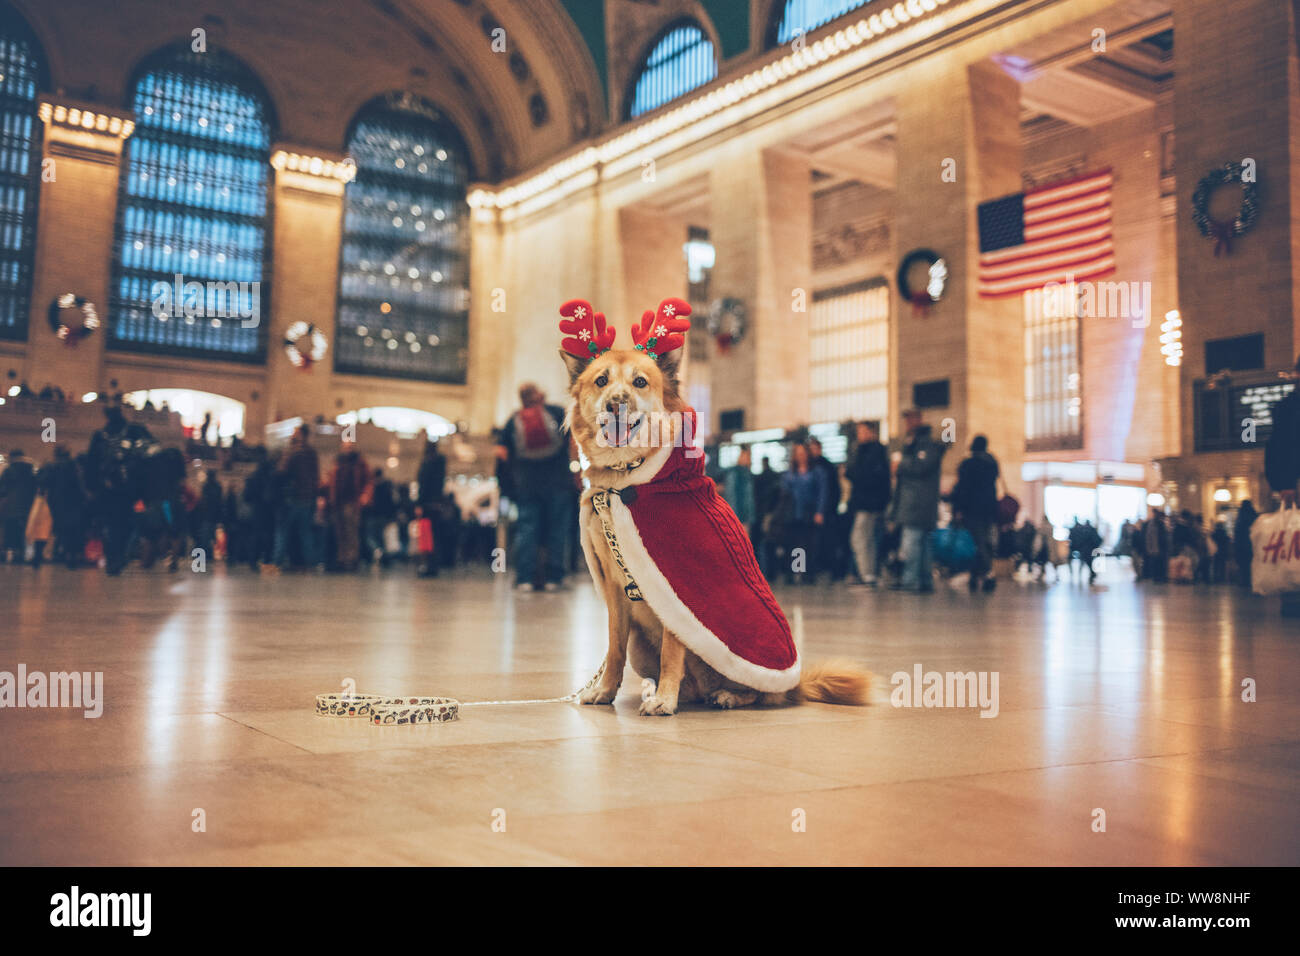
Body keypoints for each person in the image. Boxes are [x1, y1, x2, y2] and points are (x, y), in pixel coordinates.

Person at [496, 383, 572, 592]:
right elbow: (574, 440)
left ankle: (524, 579)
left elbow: (502, 455)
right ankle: (554, 578)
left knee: (527, 531)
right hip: (558, 483)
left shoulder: (513, 421)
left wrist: (508, 485)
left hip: (527, 485)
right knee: (557, 532)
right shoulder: (556, 413)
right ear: (539, 395)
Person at [889, 409, 946, 592]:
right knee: (922, 544)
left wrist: (901, 464)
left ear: (919, 419)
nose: (908, 423)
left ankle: (911, 580)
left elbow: (922, 467)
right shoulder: (910, 443)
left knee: (912, 544)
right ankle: (924, 580)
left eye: (911, 419)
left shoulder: (926, 444)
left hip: (918, 503)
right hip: (914, 503)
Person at [950, 434, 1001, 592]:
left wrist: (957, 508)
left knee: (975, 543)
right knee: (983, 542)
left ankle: (987, 573)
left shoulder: (969, 465)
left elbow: (963, 489)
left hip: (971, 510)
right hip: (989, 510)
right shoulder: (992, 464)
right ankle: (977, 574)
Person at [846, 421, 890, 586]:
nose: (860, 436)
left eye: (863, 432)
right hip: (868, 503)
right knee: (869, 539)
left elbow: (864, 476)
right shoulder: (866, 451)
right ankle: (869, 573)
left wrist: (850, 472)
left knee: (859, 539)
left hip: (868, 504)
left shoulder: (873, 452)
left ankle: (867, 575)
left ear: (872, 432)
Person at [780, 442, 830, 585]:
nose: (800, 456)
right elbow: (784, 491)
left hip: (809, 512)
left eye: (803, 453)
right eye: (798, 453)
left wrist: (820, 511)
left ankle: (807, 573)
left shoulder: (817, 471)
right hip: (793, 512)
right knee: (794, 545)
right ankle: (795, 572)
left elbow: (822, 492)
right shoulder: (790, 473)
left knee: (808, 544)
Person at [273, 424, 320, 571]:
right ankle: (310, 562)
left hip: (292, 498)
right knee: (305, 532)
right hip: (307, 498)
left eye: (295, 432)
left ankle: (277, 561)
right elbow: (315, 477)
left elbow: (281, 471)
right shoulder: (312, 453)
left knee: (283, 531)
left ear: (301, 435)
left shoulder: (294, 452)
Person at [330, 441, 370, 572]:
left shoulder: (359, 463)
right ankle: (342, 558)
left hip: (352, 501)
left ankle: (352, 559)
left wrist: (364, 496)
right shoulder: (338, 462)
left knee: (351, 531)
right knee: (340, 531)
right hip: (338, 502)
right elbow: (333, 481)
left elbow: (368, 481)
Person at [0, 449, 37, 564]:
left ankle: (9, 552)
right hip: (27, 506)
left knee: (10, 530)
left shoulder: (9, 470)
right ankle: (22, 553)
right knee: (24, 530)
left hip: (10, 506)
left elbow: (2, 489)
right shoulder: (30, 470)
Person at [721, 448, 757, 543]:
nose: (747, 459)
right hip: (739, 518)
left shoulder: (746, 474)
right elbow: (731, 497)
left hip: (744, 518)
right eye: (744, 456)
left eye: (748, 457)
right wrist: (735, 519)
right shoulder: (735, 474)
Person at [25, 486, 52, 568]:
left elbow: (34, 516)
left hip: (39, 528)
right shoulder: (46, 501)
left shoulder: (38, 501)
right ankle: (37, 559)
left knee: (38, 545)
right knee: (40, 545)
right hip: (43, 528)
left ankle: (36, 559)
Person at [1233, 500, 1257, 589]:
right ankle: (1251, 581)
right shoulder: (1254, 515)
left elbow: (1237, 533)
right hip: (1252, 545)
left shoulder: (1240, 517)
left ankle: (1245, 581)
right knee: (1252, 564)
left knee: (1244, 565)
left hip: (1241, 546)